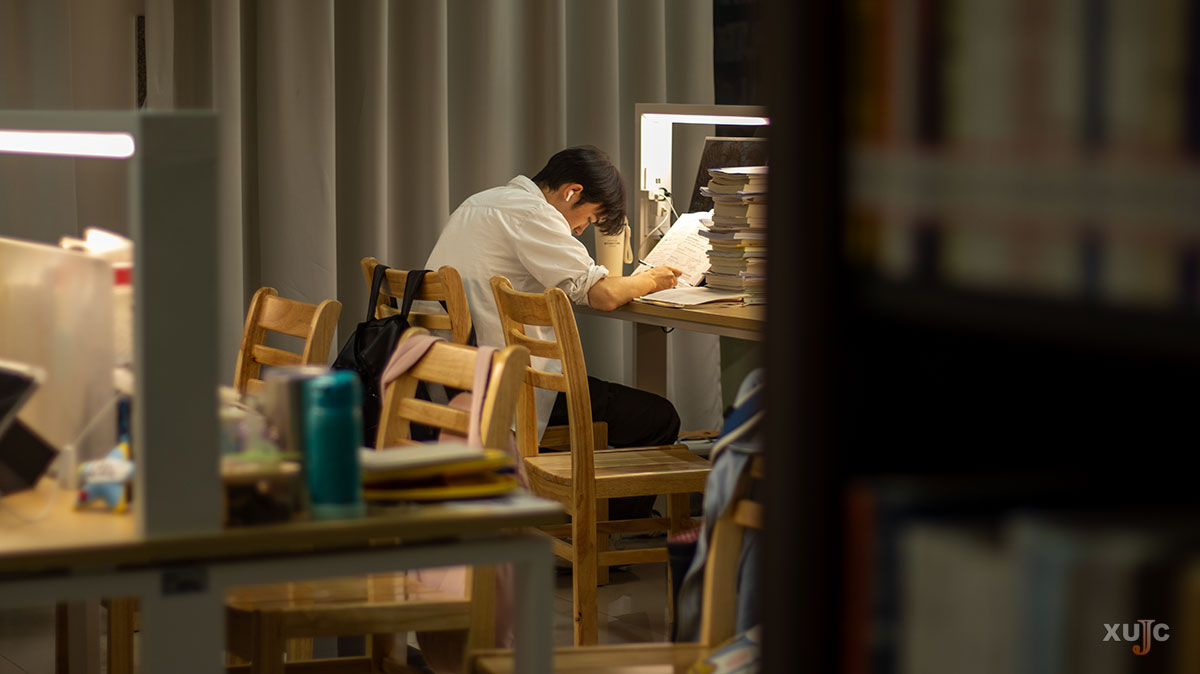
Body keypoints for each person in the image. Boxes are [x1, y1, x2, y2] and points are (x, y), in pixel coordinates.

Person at [425, 145, 682, 519]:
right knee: (658, 417)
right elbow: (603, 295)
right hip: (503, 389)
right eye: (589, 219)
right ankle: (610, 533)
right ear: (572, 192)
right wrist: (653, 279)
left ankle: (573, 519)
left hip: (448, 379)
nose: (579, 231)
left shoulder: (478, 203)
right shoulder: (534, 214)